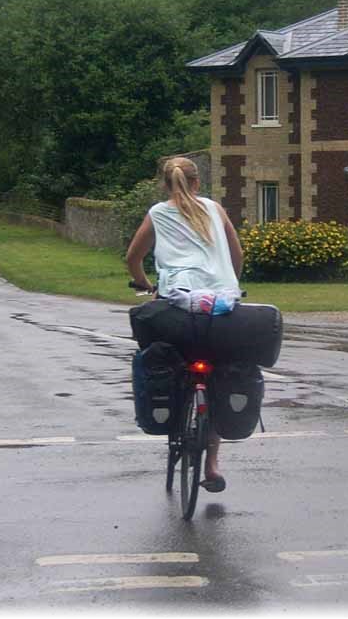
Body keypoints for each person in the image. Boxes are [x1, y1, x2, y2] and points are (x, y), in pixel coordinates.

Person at [125, 156, 244, 494]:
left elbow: (133, 258)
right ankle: (212, 465)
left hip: (177, 302)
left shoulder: (158, 213)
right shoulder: (215, 210)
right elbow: (237, 254)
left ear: (165, 184)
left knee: (168, 361)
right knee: (217, 373)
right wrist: (230, 283)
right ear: (198, 183)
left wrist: (145, 284)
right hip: (220, 302)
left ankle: (174, 417)